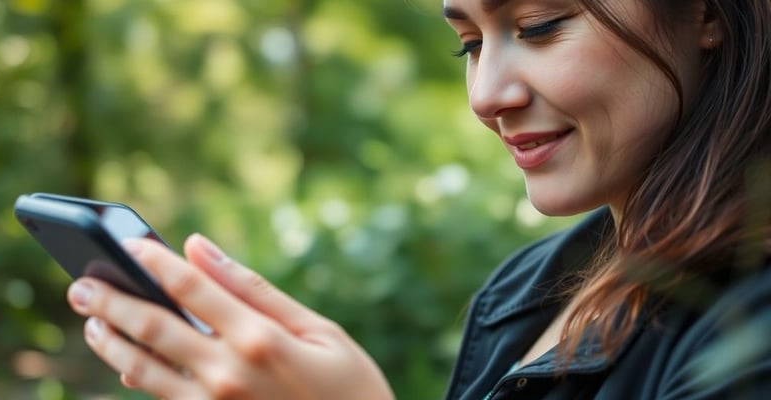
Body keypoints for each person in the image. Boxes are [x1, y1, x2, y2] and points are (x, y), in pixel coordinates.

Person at [66, 0, 771, 398]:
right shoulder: (527, 290)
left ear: (705, 14)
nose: (487, 95)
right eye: (468, 43)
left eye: (538, 26)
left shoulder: (750, 315)